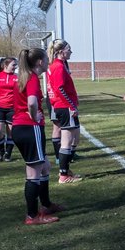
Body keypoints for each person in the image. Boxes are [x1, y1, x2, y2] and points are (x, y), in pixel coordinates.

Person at [12, 47, 62, 225]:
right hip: (29, 128)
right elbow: (31, 102)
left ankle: (46, 205)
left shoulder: (23, 78)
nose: (49, 61)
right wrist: (34, 116)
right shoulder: (32, 78)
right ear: (40, 62)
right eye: (47, 59)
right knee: (33, 172)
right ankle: (32, 216)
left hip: (21, 128)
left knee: (45, 166)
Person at [47, 40, 82, 184]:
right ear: (61, 52)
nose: (71, 52)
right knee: (67, 141)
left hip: (63, 106)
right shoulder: (58, 67)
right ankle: (63, 175)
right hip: (64, 107)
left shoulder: (58, 65)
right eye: (69, 49)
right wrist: (71, 106)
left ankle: (66, 170)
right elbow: (60, 89)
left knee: (74, 138)